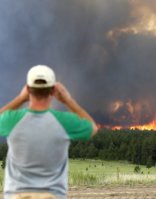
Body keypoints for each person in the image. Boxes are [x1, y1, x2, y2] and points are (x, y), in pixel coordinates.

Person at [0, 65, 98, 199]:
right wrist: (67, 100)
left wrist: (21, 98)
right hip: (52, 195)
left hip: (17, 195)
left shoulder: (11, 120)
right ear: (53, 91)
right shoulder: (65, 122)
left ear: (28, 90)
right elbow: (92, 127)